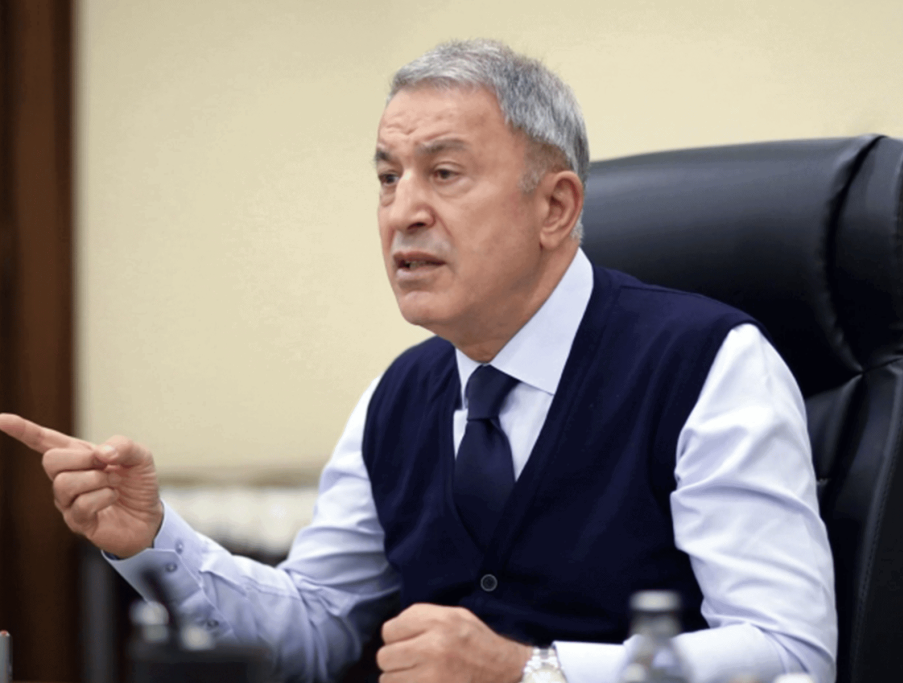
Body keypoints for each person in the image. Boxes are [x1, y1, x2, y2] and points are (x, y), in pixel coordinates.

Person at [0, 39, 837, 683]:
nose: (403, 211)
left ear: (555, 207)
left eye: (443, 172)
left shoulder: (709, 366)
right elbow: (316, 626)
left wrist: (532, 671)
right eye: (387, 177)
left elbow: (790, 652)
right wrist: (153, 539)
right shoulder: (399, 396)